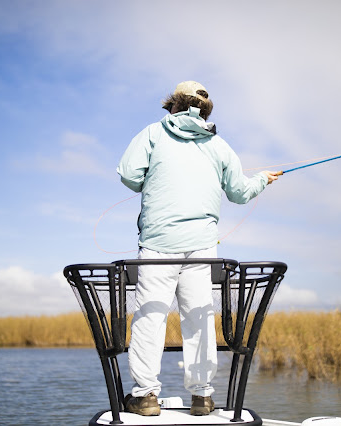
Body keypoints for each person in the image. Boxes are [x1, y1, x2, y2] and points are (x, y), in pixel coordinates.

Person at [117, 81, 279, 416]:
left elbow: (129, 177)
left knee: (150, 318)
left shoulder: (152, 133)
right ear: (205, 111)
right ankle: (203, 397)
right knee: (199, 319)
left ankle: (146, 396)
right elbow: (239, 192)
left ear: (172, 105)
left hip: (157, 247)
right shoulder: (219, 145)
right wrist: (262, 178)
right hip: (201, 249)